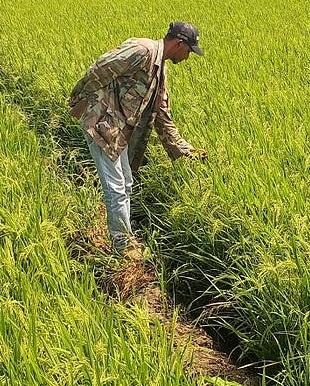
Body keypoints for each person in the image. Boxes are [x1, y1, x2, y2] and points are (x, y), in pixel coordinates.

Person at [67, 21, 208, 255]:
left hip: (118, 131)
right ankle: (122, 245)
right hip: (103, 124)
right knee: (116, 188)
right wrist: (81, 100)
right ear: (180, 44)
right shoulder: (141, 50)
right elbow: (101, 67)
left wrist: (185, 151)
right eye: (189, 51)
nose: (188, 57)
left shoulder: (159, 69)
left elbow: (163, 115)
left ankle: (124, 233)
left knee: (127, 183)